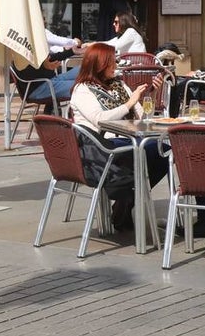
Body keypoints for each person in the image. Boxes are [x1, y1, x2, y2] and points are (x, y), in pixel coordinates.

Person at [68, 43, 168, 231]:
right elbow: (100, 119)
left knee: (164, 152)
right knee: (150, 150)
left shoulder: (119, 85)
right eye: (112, 62)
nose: (116, 66)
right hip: (100, 148)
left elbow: (142, 119)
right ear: (99, 65)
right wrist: (129, 104)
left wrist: (152, 95)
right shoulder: (83, 89)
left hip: (127, 141)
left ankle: (127, 199)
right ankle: (125, 198)